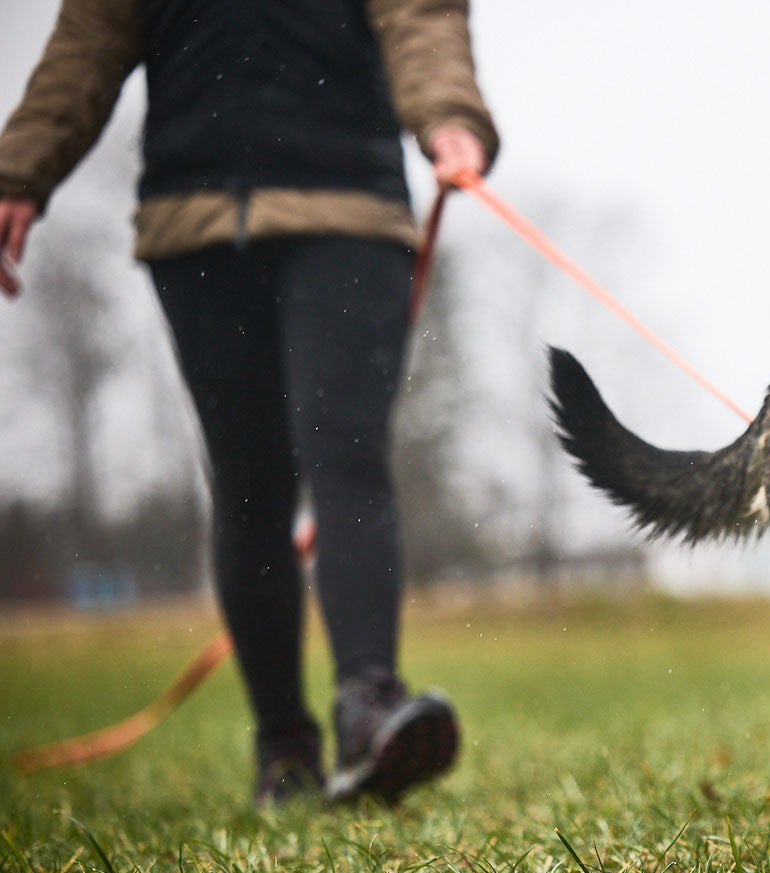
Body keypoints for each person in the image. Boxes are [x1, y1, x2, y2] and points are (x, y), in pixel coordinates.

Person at [0, 0, 499, 807]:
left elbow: (420, 12)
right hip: (195, 219)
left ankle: (369, 705)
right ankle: (284, 749)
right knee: (248, 483)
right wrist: (21, 169)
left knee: (347, 457)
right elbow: (88, 37)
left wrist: (448, 116)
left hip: (347, 209)